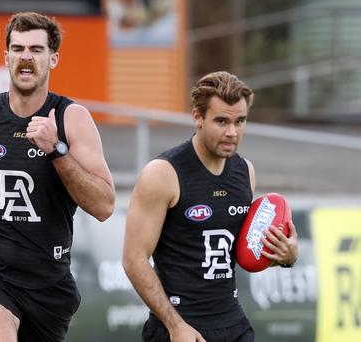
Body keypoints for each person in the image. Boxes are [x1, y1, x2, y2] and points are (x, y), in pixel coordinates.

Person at [0, 11, 115, 342]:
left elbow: (103, 205)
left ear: (53, 58)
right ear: (6, 56)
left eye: (36, 50)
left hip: (47, 280)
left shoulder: (72, 120)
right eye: (18, 49)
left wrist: (56, 150)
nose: (26, 57)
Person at [122, 71, 299, 342]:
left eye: (240, 121)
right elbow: (133, 259)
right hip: (180, 327)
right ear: (198, 118)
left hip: (233, 323)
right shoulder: (163, 174)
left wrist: (285, 257)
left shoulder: (245, 171)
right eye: (221, 121)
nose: (232, 132)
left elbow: (239, 253)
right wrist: (175, 326)